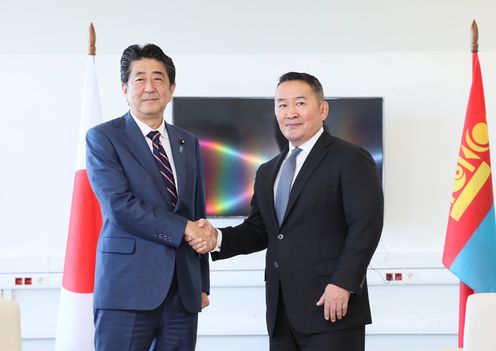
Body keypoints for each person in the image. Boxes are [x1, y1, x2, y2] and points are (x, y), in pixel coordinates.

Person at [189, 72, 384, 351]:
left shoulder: (350, 158)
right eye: (282, 105)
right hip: (281, 313)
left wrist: (343, 284)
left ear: (323, 109)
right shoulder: (268, 171)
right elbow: (260, 231)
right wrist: (215, 238)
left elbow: (366, 226)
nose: (290, 112)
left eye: (300, 103)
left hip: (332, 307)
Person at [86, 43, 215, 351]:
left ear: (171, 89)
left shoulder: (188, 141)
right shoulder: (103, 138)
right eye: (139, 78)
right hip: (126, 289)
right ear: (124, 88)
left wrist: (201, 283)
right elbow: (120, 206)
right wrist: (184, 228)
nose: (149, 87)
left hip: (182, 293)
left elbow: (197, 211)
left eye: (158, 79)